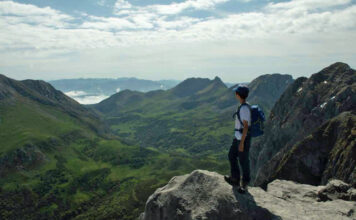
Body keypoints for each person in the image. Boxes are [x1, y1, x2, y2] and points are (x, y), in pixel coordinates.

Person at [224, 85, 251, 192]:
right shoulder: (244, 106)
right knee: (231, 155)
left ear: (238, 94)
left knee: (244, 161)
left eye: (236, 93)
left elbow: (246, 126)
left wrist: (242, 143)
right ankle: (235, 178)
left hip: (242, 139)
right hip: (238, 138)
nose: (235, 94)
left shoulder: (244, 108)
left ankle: (244, 184)